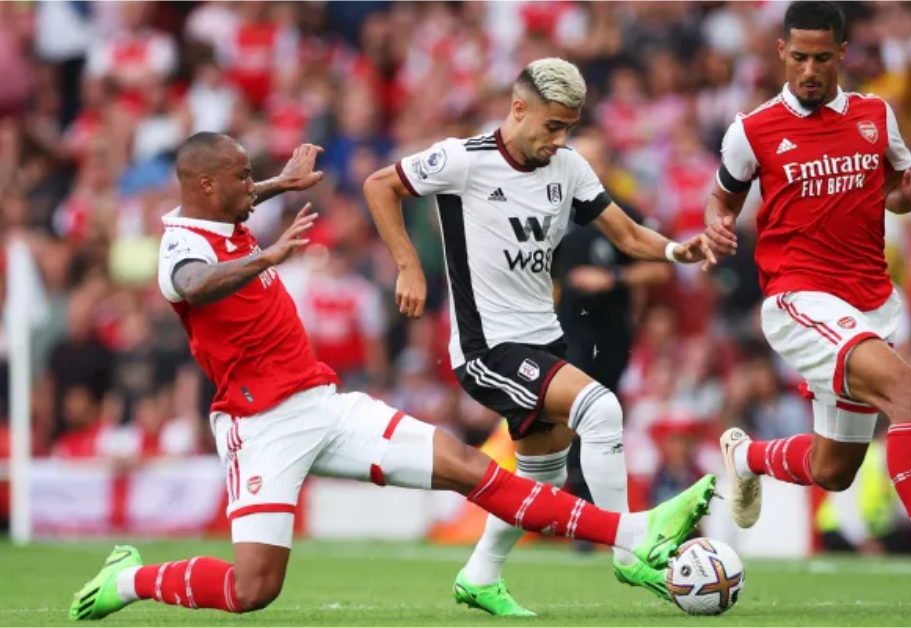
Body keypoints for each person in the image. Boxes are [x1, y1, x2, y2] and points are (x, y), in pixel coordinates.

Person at [67, 132, 718, 621]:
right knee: (253, 590)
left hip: (323, 401)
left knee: (470, 467)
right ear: (206, 187)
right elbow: (191, 284)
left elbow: (237, 206)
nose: (252, 186)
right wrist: (269, 253)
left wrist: (279, 188)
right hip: (259, 424)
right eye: (243, 178)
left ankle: (634, 534)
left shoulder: (224, 213)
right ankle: (129, 579)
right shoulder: (181, 245)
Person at [363, 58, 716, 616]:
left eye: (569, 127)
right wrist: (409, 265)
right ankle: (632, 544)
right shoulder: (462, 159)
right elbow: (379, 184)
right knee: (600, 410)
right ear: (519, 108)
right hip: (488, 348)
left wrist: (676, 250)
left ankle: (479, 576)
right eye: (553, 125)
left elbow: (623, 232)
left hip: (544, 340)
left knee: (539, 478)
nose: (560, 139)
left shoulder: (569, 166)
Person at [701, 0, 911, 604]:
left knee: (834, 469)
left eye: (821, 58)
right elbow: (722, 199)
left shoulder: (875, 115)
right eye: (798, 58)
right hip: (798, 298)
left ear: (842, 55)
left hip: (866, 301)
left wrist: (910, 195)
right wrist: (716, 227)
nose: (809, 70)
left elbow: (892, 187)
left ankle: (746, 456)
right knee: (910, 391)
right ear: (781, 55)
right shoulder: (753, 129)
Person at [554, 130, 673, 537]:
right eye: (577, 159)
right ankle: (576, 507)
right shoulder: (554, 212)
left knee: (601, 417)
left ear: (606, 166)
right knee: (573, 412)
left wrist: (612, 277)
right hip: (565, 330)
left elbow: (660, 266)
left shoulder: (624, 214)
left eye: (592, 160)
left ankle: (598, 514)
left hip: (611, 331)